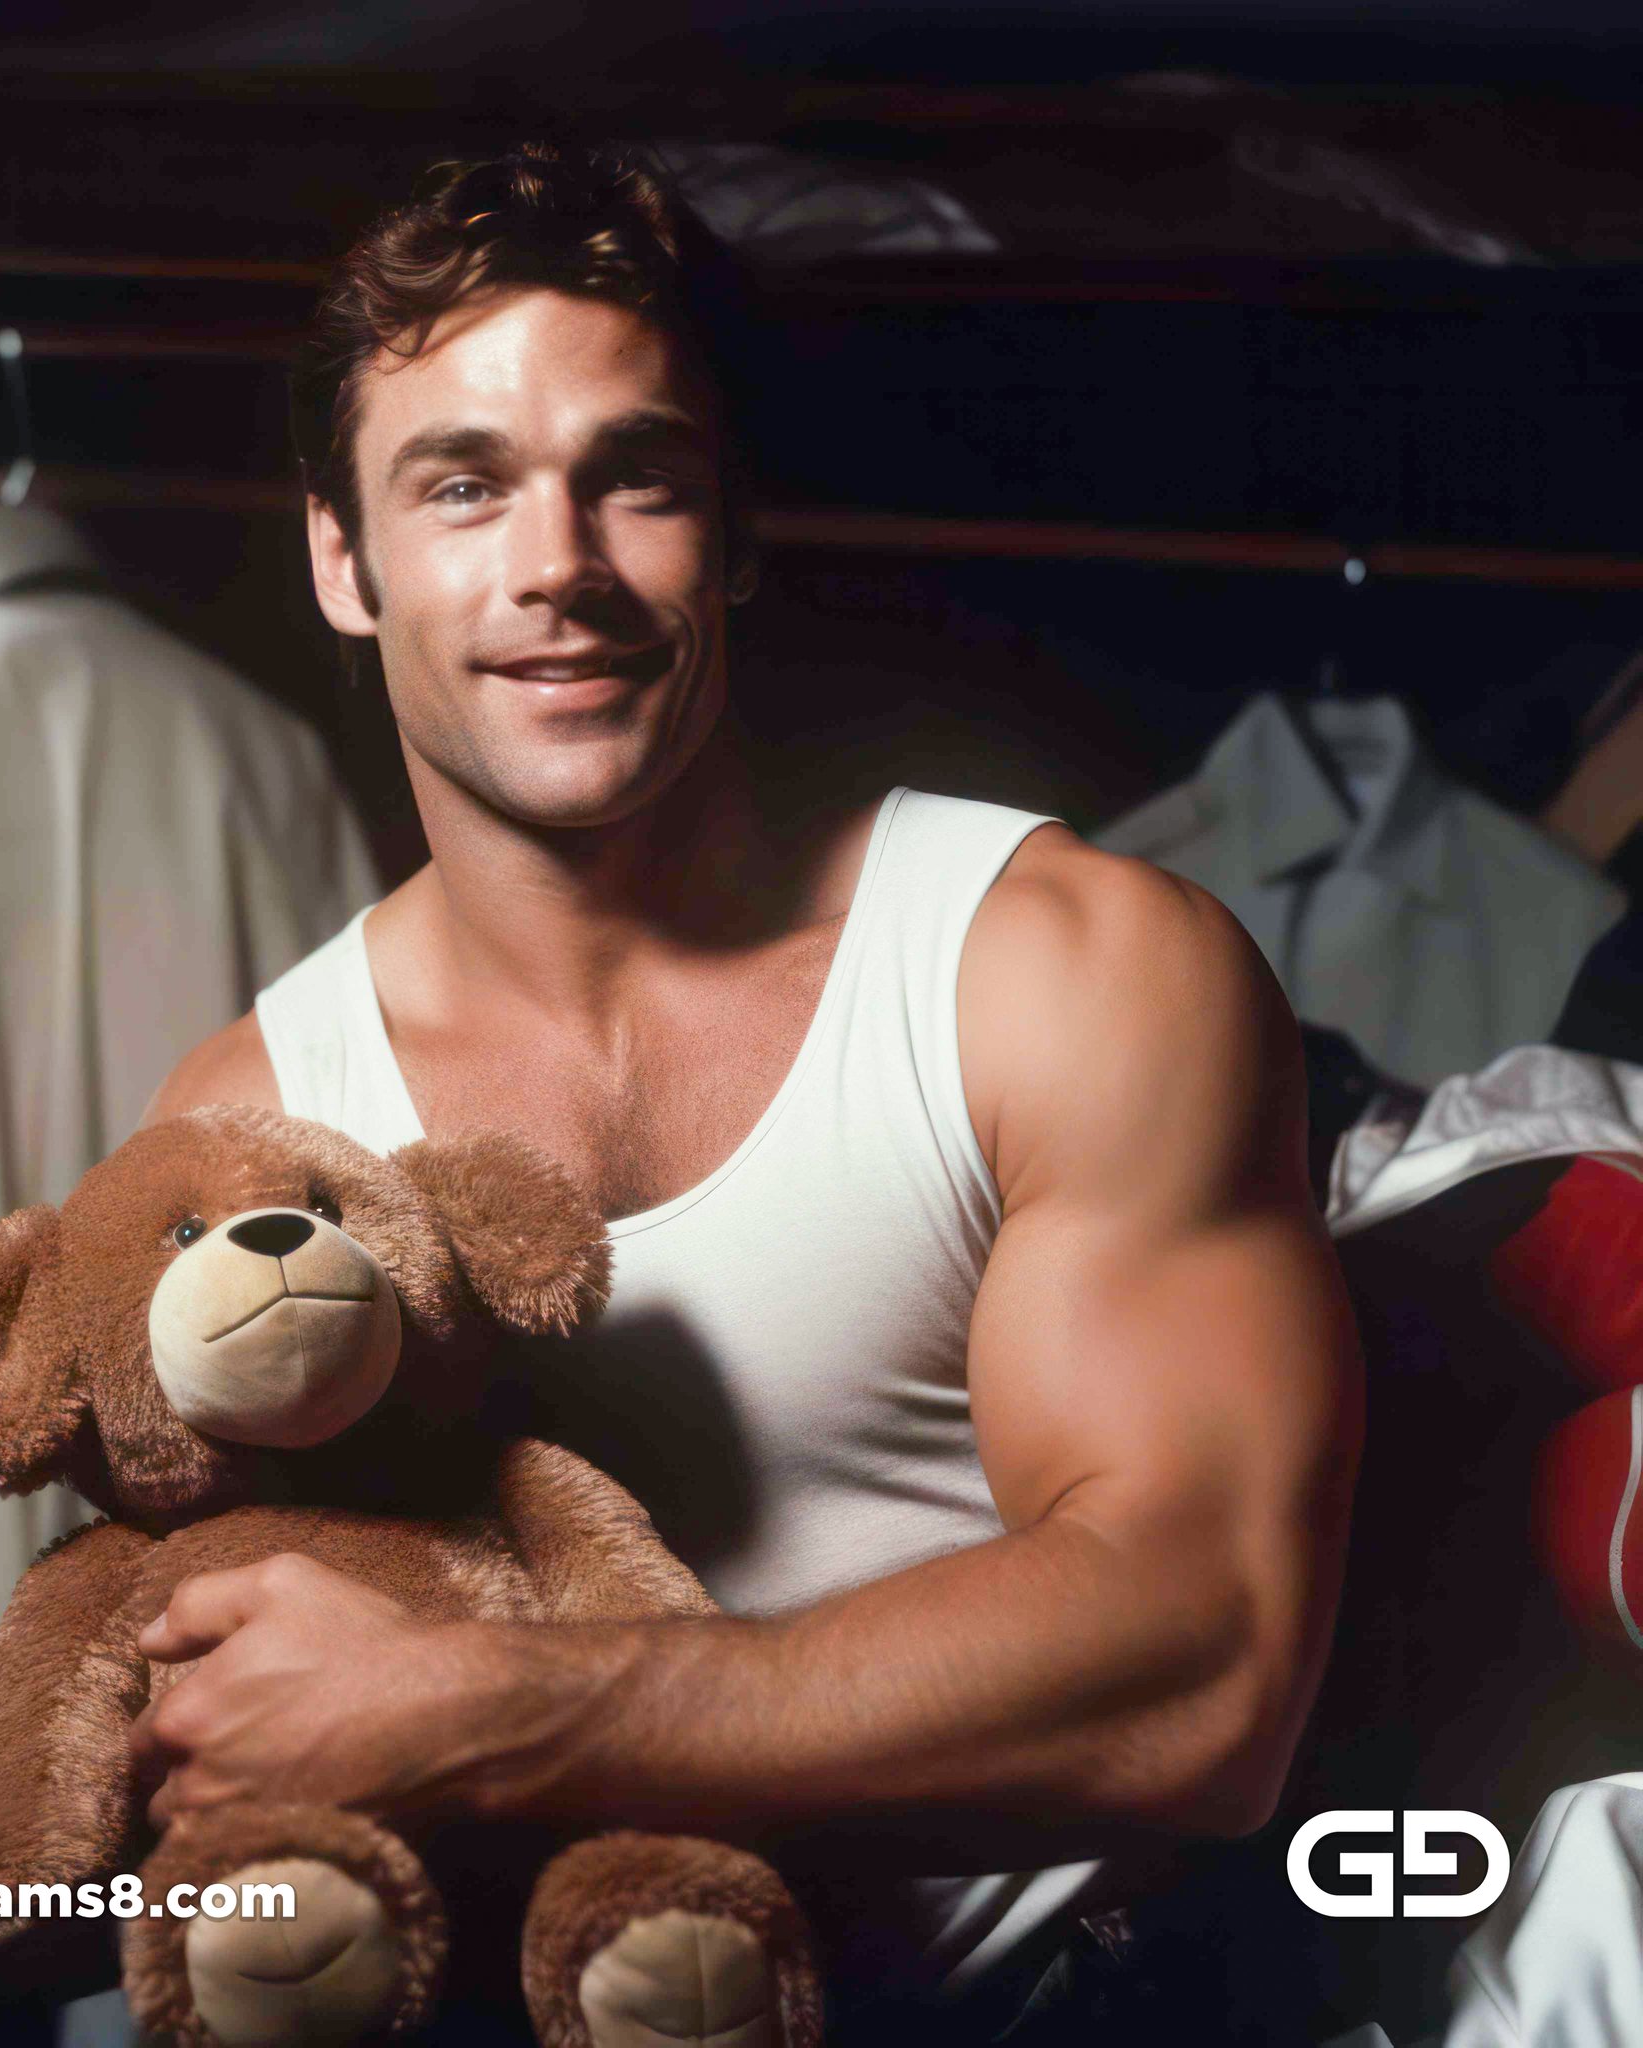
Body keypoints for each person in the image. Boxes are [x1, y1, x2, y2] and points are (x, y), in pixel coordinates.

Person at [130, 142, 1362, 2041]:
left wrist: (492, 1712)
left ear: (738, 533)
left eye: (635, 476)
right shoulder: (253, 1124)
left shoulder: (1063, 969)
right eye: (461, 486)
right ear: (342, 561)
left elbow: (1207, 1667)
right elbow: (226, 1735)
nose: (556, 566)